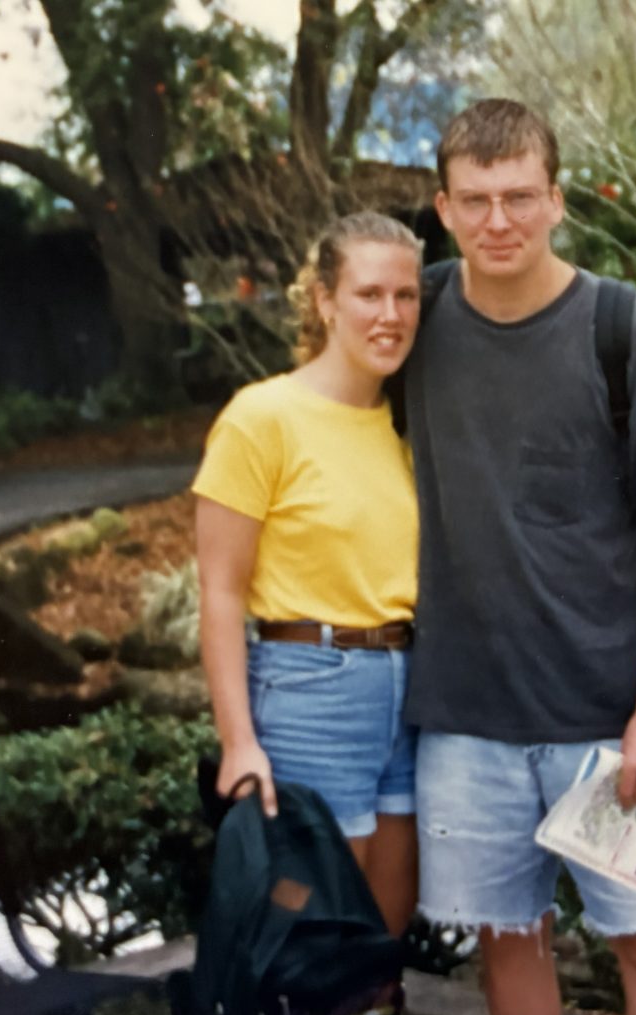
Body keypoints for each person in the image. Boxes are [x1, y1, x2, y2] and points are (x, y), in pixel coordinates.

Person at [399, 99, 636, 1015]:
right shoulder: (411, 324)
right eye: (475, 200)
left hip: (611, 718)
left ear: (558, 201)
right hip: (467, 716)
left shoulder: (631, 329)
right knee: (510, 946)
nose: (498, 220)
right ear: (444, 208)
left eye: (519, 197)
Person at [193, 211, 423, 952]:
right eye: (368, 294)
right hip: (308, 694)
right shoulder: (261, 418)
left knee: (377, 950)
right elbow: (221, 595)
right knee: (306, 946)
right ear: (323, 299)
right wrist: (238, 741)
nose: (390, 315)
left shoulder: (411, 425)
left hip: (409, 692)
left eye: (406, 296)